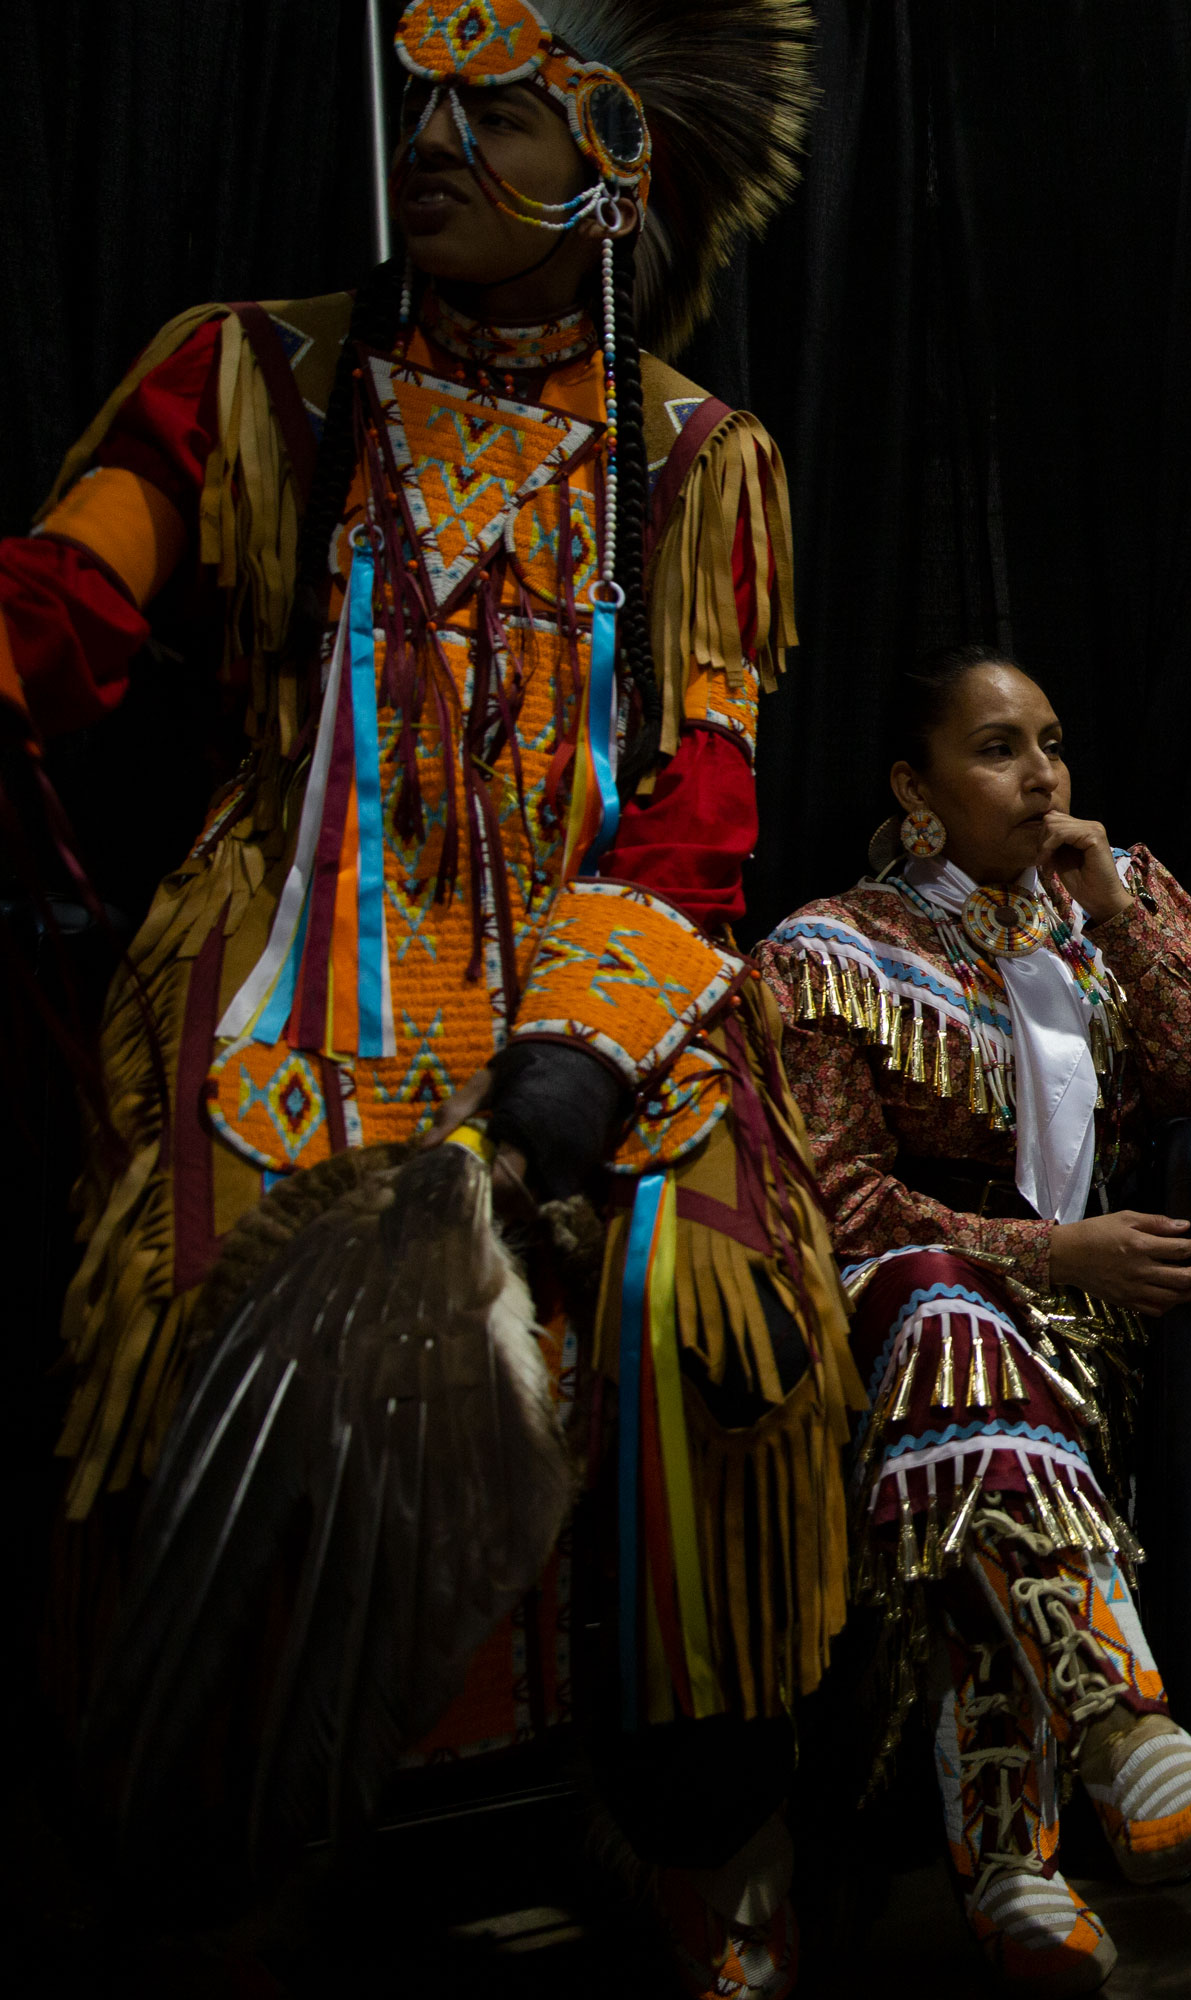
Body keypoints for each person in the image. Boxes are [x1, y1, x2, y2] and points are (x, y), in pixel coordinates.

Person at [10, 3, 851, 1992]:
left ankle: (682, 1823)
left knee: (704, 1302)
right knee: (201, 1279)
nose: (435, 133)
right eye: (420, 96)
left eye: (501, 107)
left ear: (622, 166)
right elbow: (73, 597)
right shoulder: (260, 380)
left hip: (595, 975)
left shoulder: (709, 465)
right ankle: (241, 1827)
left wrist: (574, 1050)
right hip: (297, 955)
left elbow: (701, 803)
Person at [750, 645, 1191, 1996]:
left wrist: (1122, 913)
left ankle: (1012, 1867)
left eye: (1051, 740)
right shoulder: (834, 952)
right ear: (912, 786)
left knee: (982, 1408)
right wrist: (1054, 1250)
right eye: (996, 748)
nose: (1041, 773)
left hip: (1080, 1342)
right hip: (894, 1320)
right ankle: (1120, 1732)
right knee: (947, 1322)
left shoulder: (1086, 927)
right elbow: (842, 1203)